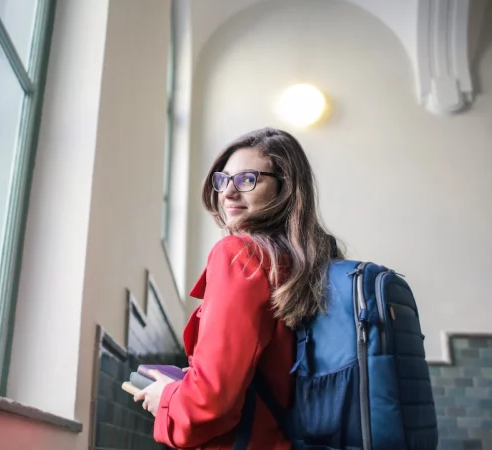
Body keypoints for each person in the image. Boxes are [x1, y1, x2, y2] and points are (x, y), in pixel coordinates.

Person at [134, 127, 342, 449]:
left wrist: (167, 396)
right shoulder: (311, 262)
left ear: (285, 188)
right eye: (223, 180)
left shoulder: (240, 254)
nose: (228, 192)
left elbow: (210, 404)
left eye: (247, 179)